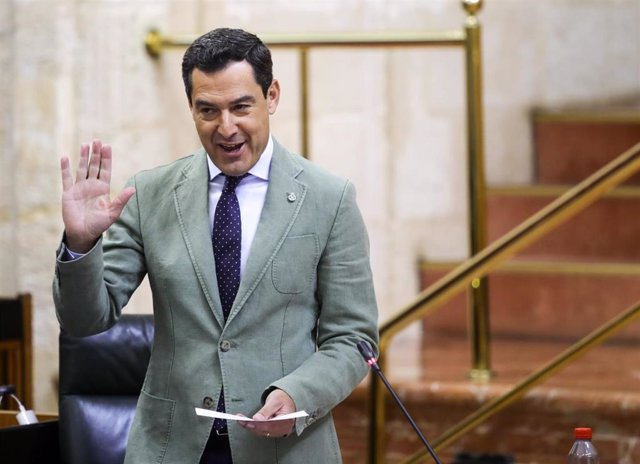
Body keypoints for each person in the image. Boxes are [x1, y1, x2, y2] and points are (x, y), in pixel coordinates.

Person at [53, 27, 378, 464]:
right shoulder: (149, 195)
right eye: (208, 110)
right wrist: (80, 242)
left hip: (285, 447)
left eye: (241, 106)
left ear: (272, 96)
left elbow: (354, 339)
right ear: (190, 107)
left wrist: (297, 392)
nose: (226, 128)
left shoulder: (329, 198)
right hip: (173, 447)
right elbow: (84, 320)